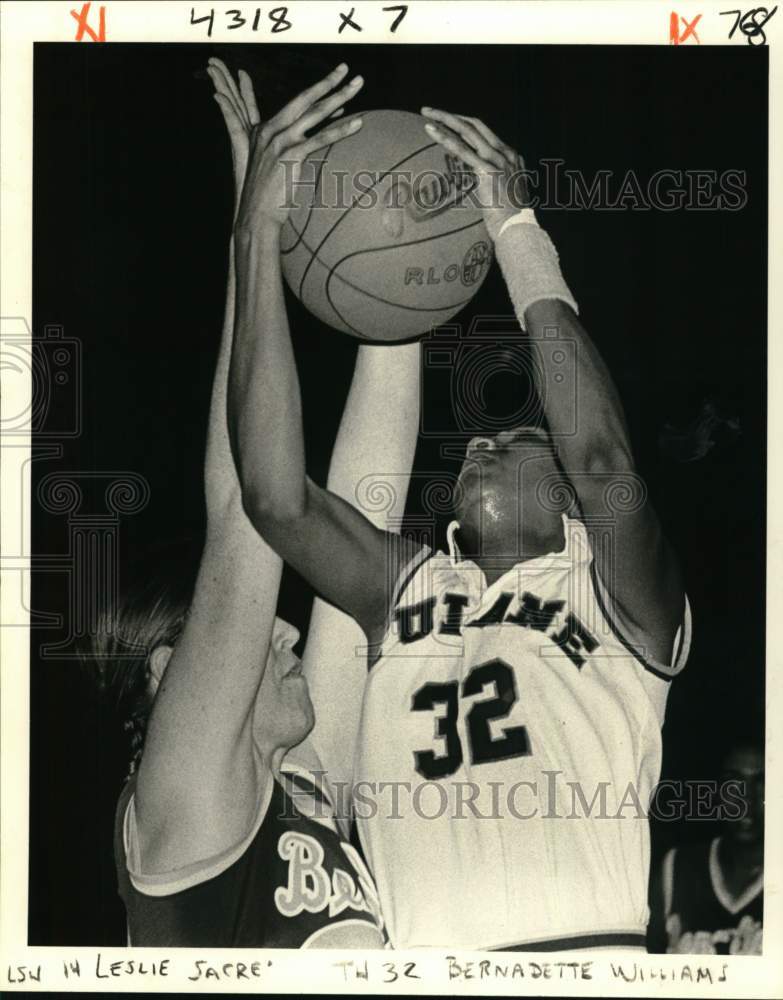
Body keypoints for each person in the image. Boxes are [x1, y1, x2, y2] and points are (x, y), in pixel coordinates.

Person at [229, 95, 690, 950]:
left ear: (570, 505)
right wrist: (253, 237)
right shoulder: (407, 585)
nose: (480, 437)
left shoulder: (617, 592)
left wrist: (516, 229)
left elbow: (602, 462)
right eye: (489, 430)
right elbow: (273, 498)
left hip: (581, 962)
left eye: (519, 436)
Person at [89, 59, 420, 948]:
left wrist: (404, 277)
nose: (282, 629)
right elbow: (245, 519)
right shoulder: (181, 804)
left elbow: (364, 514)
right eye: (248, 628)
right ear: (163, 682)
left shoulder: (297, 777)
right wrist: (254, 228)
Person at [648, 739, 764, 954]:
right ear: (717, 791)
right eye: (734, 783)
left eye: (762, 782)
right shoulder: (676, 869)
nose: (747, 797)